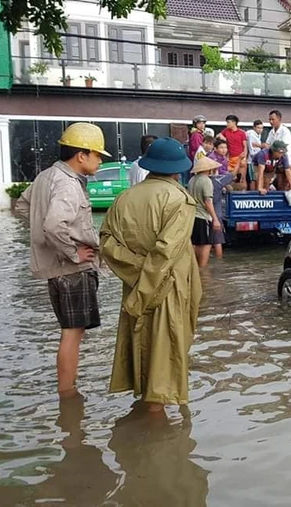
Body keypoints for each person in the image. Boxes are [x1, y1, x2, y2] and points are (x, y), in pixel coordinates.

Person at [99, 137, 202, 413]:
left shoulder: (124, 197)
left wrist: (135, 275)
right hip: (166, 288)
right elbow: (165, 254)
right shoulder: (180, 200)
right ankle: (157, 440)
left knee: (142, 356)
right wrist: (146, 291)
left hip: (135, 288)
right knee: (163, 366)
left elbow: (107, 242)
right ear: (178, 170)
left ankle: (141, 433)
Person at [16, 122, 107, 397]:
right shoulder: (67, 184)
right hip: (73, 269)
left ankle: (67, 394)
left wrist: (46, 241)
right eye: (98, 155)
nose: (100, 160)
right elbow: (54, 225)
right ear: (81, 155)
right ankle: (68, 395)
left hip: (57, 270)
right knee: (72, 333)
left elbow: (22, 206)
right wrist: (73, 251)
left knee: (70, 330)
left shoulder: (45, 176)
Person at [188, 156, 224, 267]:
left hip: (193, 215)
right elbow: (208, 201)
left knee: (196, 243)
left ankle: (195, 268)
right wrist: (215, 219)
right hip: (203, 216)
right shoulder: (206, 181)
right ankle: (202, 269)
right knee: (205, 244)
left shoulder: (192, 180)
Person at [211, 165, 234, 259]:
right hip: (216, 215)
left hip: (201, 216)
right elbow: (232, 175)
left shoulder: (194, 181)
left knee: (203, 242)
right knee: (217, 241)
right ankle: (219, 261)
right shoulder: (217, 182)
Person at [218, 115, 248, 182]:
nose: (227, 124)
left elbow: (245, 146)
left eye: (228, 122)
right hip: (230, 158)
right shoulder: (226, 131)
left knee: (241, 179)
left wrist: (244, 158)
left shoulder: (241, 133)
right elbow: (219, 135)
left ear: (234, 122)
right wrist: (225, 139)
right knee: (231, 178)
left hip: (239, 157)